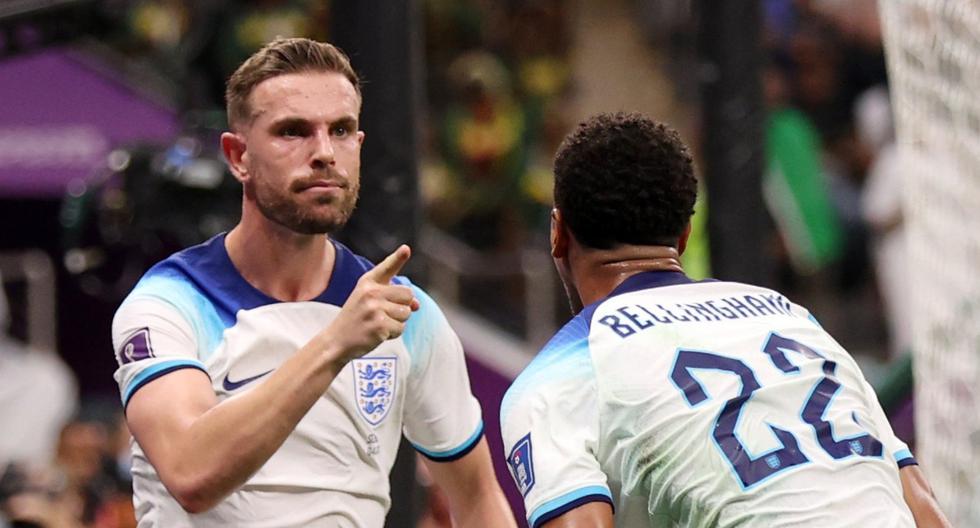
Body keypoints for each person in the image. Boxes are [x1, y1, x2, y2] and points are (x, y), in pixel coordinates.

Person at [112, 37, 515, 527]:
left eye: (341, 130)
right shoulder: (168, 303)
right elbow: (191, 473)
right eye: (293, 132)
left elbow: (478, 500)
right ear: (238, 156)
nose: (324, 152)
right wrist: (336, 343)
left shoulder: (406, 314)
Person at [499, 112, 950, 527]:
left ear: (557, 234)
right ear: (684, 233)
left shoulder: (552, 382)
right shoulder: (792, 319)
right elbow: (922, 505)